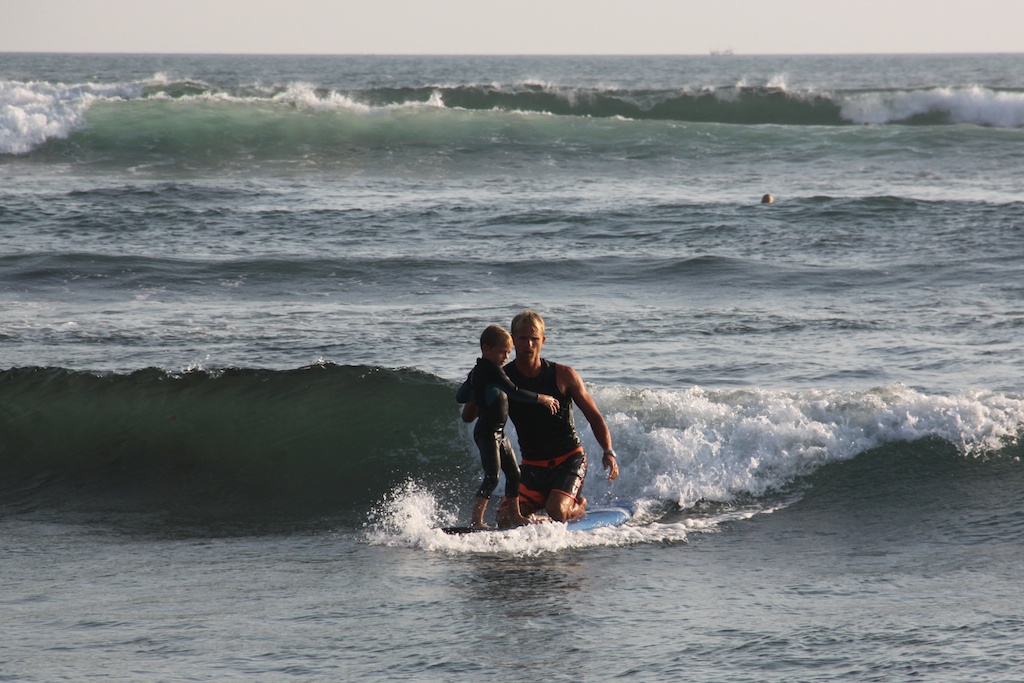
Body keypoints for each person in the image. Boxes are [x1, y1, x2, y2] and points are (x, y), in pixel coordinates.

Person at [462, 311, 619, 528]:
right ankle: (545, 502)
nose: (528, 344)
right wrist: (478, 383)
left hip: (569, 460)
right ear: (513, 340)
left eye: (534, 339)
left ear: (543, 341)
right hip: (532, 467)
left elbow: (595, 417)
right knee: (505, 520)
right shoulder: (501, 377)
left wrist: (608, 451)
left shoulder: (563, 375)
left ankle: (578, 505)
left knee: (557, 512)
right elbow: (468, 417)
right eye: (522, 338)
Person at [456, 325, 560, 528]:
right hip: (488, 432)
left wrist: (478, 391)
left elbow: (460, 396)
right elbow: (515, 391)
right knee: (492, 477)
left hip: (498, 433)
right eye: (502, 351)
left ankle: (516, 515)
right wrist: (542, 398)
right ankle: (476, 522)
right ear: (486, 349)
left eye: (508, 352)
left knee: (514, 473)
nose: (506, 356)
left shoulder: (477, 372)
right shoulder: (492, 371)